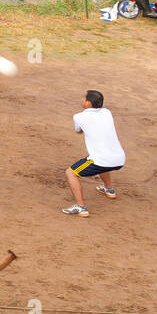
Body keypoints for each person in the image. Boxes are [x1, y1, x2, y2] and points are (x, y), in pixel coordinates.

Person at [62, 90, 126, 218]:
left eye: (84, 98)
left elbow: (78, 131)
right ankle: (109, 190)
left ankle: (81, 208)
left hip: (101, 160)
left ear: (89, 103)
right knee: (101, 161)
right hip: (119, 159)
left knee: (71, 173)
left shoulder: (78, 117)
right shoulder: (107, 112)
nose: (82, 99)